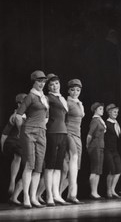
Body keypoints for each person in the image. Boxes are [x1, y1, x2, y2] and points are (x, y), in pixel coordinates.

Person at [15, 70, 48, 208]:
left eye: (43, 81)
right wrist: (21, 130)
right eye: (39, 81)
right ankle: (26, 198)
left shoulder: (44, 98)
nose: (41, 83)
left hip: (41, 132)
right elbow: (18, 115)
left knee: (39, 167)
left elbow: (46, 116)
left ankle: (34, 197)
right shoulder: (30, 96)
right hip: (29, 131)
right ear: (33, 82)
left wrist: (42, 126)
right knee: (30, 164)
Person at [44, 73, 69, 206]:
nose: (55, 86)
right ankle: (49, 196)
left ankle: (56, 194)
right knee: (50, 165)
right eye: (52, 84)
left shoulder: (62, 98)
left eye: (57, 83)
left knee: (58, 166)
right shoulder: (48, 98)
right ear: (48, 86)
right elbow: (44, 114)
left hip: (63, 132)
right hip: (52, 132)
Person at [1, 93, 27, 205]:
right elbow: (5, 133)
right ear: (19, 104)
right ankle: (12, 182)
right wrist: (2, 146)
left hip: (18, 141)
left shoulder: (21, 113)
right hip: (16, 141)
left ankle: (13, 187)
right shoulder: (16, 115)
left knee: (18, 159)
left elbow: (4, 133)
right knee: (19, 158)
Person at [62, 79, 85, 204]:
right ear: (68, 90)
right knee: (72, 160)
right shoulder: (67, 102)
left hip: (78, 135)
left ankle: (62, 195)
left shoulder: (79, 103)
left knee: (73, 168)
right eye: (72, 90)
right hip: (68, 133)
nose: (75, 92)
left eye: (78, 90)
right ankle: (72, 194)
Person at [86, 102, 106, 199]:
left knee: (98, 170)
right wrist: (87, 145)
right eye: (100, 109)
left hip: (100, 146)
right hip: (95, 146)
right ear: (95, 110)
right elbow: (90, 134)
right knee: (95, 169)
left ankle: (95, 192)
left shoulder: (100, 120)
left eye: (102, 109)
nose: (102, 110)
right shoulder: (95, 120)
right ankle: (93, 192)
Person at [104, 103, 121, 199]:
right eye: (114, 112)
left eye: (117, 112)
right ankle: (108, 191)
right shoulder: (106, 124)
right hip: (108, 150)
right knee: (112, 170)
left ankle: (113, 189)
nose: (116, 114)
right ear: (109, 112)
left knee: (118, 170)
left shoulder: (116, 123)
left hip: (115, 150)